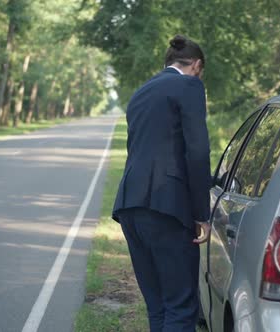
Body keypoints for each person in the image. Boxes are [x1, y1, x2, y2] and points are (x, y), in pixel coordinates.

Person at [112, 35, 212, 332]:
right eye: (200, 71)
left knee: (158, 308)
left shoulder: (141, 92)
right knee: (181, 307)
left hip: (130, 206)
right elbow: (198, 151)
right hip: (167, 208)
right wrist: (201, 214)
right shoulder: (190, 85)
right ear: (196, 65)